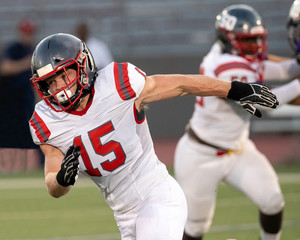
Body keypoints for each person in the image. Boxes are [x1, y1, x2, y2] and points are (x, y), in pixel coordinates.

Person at [28, 33, 277, 240]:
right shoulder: (47, 120)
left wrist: (233, 89)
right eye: (51, 82)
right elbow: (53, 185)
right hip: (125, 218)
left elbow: (181, 85)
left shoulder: (117, 82)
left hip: (157, 195)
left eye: (65, 75)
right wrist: (62, 178)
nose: (61, 87)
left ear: (83, 65)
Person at [174, 4, 300, 240]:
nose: (255, 46)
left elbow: (282, 70)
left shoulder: (235, 57)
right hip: (201, 154)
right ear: (228, 38)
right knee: (195, 228)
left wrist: (295, 66)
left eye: (256, 40)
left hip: (238, 149)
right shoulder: (223, 67)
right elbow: (264, 102)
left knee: (272, 201)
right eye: (248, 40)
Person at [0, 19, 41, 173]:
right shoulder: (15, 49)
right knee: (8, 136)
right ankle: (6, 168)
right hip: (10, 101)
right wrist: (27, 62)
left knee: (29, 137)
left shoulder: (34, 50)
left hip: (26, 101)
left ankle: (29, 169)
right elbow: (6, 68)